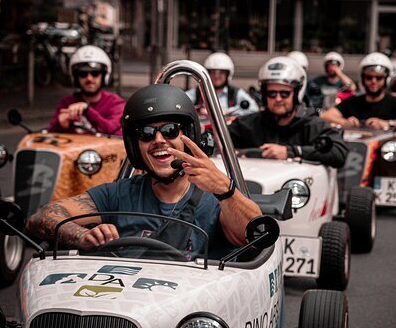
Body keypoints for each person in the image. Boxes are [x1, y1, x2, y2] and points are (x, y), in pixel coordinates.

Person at [28, 84, 261, 255]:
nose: (159, 140)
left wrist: (224, 190)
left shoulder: (217, 199)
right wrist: (82, 236)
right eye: (146, 134)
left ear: (188, 137)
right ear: (135, 145)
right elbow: (41, 217)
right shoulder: (118, 194)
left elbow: (255, 236)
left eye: (170, 130)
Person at [229, 56, 348, 168]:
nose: (278, 99)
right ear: (264, 95)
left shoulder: (313, 125)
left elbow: (339, 152)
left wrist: (291, 152)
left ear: (297, 94)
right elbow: (217, 140)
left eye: (284, 93)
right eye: (272, 93)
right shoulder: (248, 124)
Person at [320, 52, 396, 131]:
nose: (373, 82)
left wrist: (388, 123)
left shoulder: (395, 102)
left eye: (378, 78)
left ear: (386, 79)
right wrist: (345, 122)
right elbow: (325, 115)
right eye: (369, 78)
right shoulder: (354, 101)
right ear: (363, 79)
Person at [47, 45, 125, 135]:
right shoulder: (67, 102)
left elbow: (114, 132)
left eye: (95, 73)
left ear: (104, 76)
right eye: (83, 74)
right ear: (76, 77)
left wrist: (87, 110)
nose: (89, 79)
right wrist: (59, 124)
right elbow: (49, 136)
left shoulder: (115, 103)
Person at [185, 52, 258, 115]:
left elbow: (254, 109)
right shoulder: (198, 92)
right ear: (207, 74)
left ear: (228, 74)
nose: (217, 76)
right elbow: (180, 103)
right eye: (213, 72)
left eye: (221, 72)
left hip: (228, 130)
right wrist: (197, 110)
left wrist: (227, 112)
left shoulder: (235, 93)